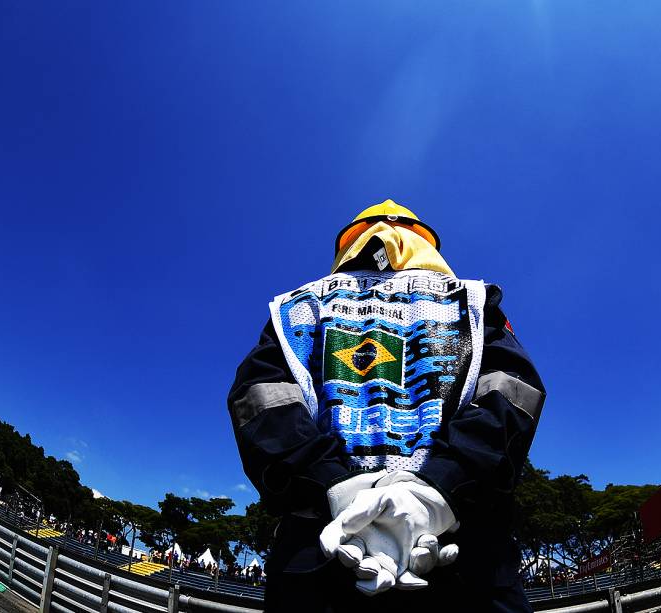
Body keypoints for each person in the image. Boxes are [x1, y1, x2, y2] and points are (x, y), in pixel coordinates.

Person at [227, 200, 545, 612]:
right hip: (460, 549)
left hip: (324, 549)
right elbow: (511, 394)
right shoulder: (473, 302)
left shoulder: (296, 307)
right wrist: (439, 489)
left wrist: (333, 485)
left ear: (350, 243)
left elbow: (260, 401)